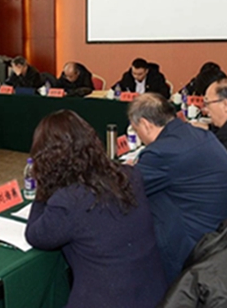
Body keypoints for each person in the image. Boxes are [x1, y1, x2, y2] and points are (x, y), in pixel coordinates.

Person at [25, 110, 167, 308]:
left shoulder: (68, 201)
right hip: (155, 294)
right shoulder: (129, 174)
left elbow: (35, 235)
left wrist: (43, 188)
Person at [128, 93, 227, 283]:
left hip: (197, 244)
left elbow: (126, 188)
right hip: (224, 231)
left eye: (136, 129)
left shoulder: (162, 152)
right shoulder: (197, 133)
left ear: (145, 124)